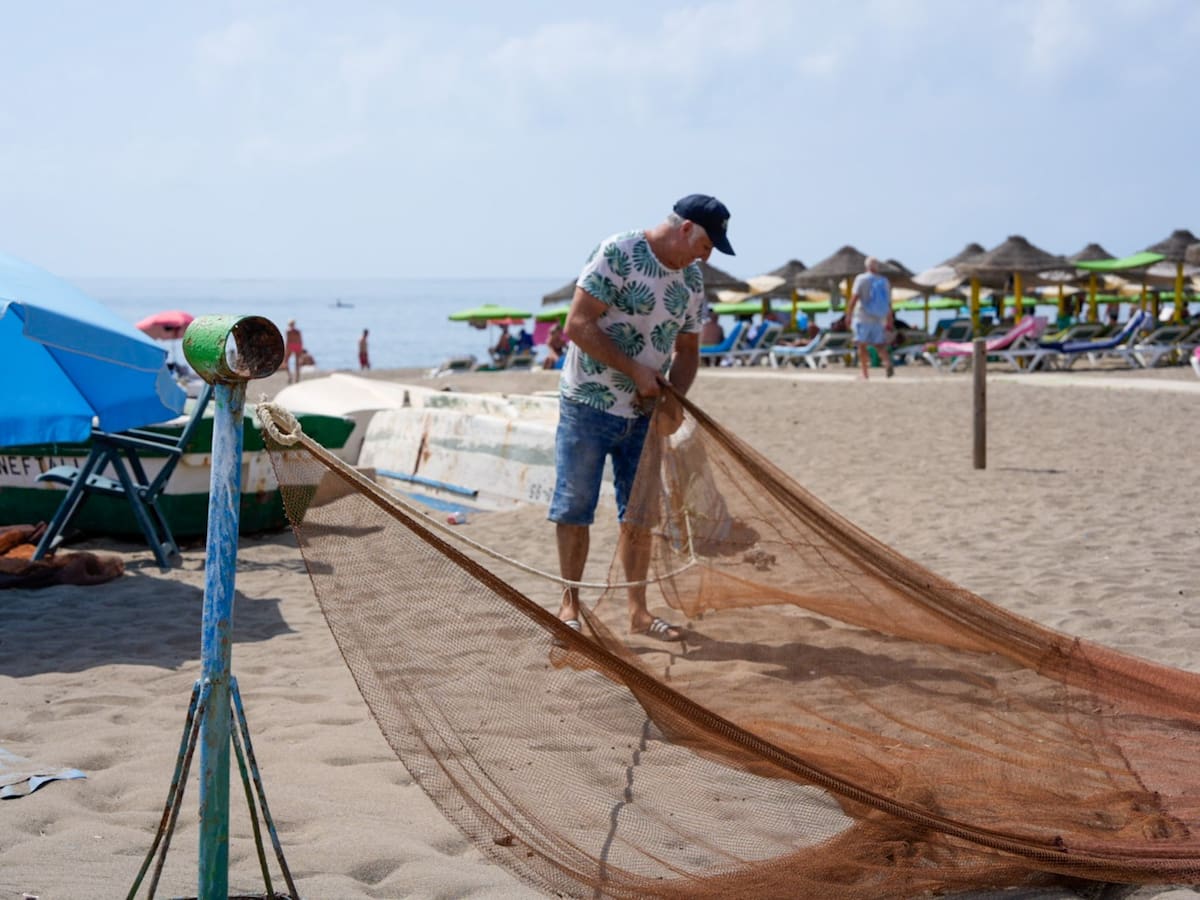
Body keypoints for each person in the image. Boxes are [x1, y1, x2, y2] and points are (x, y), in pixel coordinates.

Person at [552, 193, 734, 642]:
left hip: (644, 415)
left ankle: (638, 612)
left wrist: (675, 400)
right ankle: (569, 605)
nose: (707, 255)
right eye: (708, 244)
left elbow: (689, 350)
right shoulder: (618, 252)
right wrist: (635, 369)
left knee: (639, 516)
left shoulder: (692, 280)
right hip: (587, 405)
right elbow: (576, 324)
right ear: (686, 228)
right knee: (575, 506)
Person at [846, 257, 894, 379]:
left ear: (866, 266)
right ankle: (887, 362)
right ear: (877, 267)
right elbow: (888, 303)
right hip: (879, 318)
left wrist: (849, 314)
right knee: (879, 344)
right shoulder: (884, 281)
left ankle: (864, 373)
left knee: (862, 345)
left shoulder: (861, 279)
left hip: (863, 316)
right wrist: (889, 319)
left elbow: (855, 298)